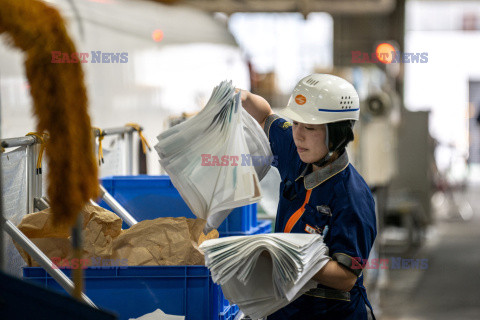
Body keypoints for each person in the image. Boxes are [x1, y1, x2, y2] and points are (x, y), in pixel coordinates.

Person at [239, 73, 377, 320]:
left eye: (310, 127)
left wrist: (288, 257)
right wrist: (241, 97)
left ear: (337, 134)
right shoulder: (298, 154)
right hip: (286, 308)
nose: (298, 135)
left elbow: (346, 277)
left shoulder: (352, 197)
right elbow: (265, 116)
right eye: (295, 124)